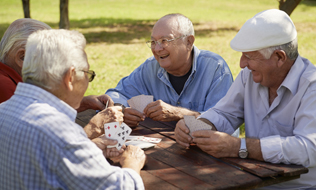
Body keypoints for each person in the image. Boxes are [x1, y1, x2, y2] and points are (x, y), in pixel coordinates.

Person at [175, 9, 316, 189]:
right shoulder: (249, 75)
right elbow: (224, 113)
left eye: (249, 56)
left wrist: (240, 147)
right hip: (252, 181)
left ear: (279, 57)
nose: (242, 64)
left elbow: (309, 148)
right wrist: (198, 125)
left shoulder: (312, 86)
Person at [0, 29, 146, 189]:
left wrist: (92, 150)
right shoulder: (60, 131)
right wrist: (132, 161)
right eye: (86, 74)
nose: (87, 82)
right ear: (70, 77)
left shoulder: (4, 110)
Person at [106, 14, 235, 129]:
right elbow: (114, 94)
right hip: (163, 151)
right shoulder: (150, 68)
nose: (157, 49)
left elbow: (223, 123)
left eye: (164, 41)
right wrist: (122, 110)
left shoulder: (215, 69)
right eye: (153, 42)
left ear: (188, 42)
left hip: (207, 152)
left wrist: (178, 114)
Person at [0, 18, 113, 112]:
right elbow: (41, 128)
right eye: (50, 56)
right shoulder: (5, 87)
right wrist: (94, 128)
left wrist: (83, 102)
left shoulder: (14, 79)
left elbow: (44, 109)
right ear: (22, 58)